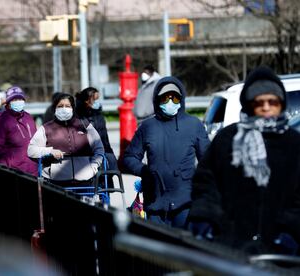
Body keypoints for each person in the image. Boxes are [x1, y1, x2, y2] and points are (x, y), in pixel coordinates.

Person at [188, 66, 300, 255]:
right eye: (259, 102)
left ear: (281, 103)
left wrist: (291, 231)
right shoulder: (227, 139)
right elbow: (206, 185)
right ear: (249, 104)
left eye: (272, 101)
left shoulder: (294, 143)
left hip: (282, 251)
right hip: (231, 246)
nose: (266, 107)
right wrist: (206, 219)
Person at [123, 76, 210, 228]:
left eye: (175, 98)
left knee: (184, 249)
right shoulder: (147, 127)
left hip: (186, 202)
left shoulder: (194, 124)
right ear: (157, 100)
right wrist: (144, 171)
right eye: (165, 98)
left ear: (181, 100)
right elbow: (129, 157)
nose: (170, 102)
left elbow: (208, 160)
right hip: (155, 203)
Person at [28, 93, 104, 186]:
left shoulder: (85, 125)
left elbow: (99, 148)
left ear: (72, 108)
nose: (64, 109)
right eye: (60, 106)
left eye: (67, 106)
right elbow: (31, 150)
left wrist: (94, 166)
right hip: (56, 181)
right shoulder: (46, 128)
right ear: (55, 108)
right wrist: (49, 151)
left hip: (85, 180)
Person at [0, 86, 37, 176]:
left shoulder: (28, 117)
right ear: (8, 102)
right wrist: (9, 165)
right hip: (15, 171)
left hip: (33, 169)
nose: (18, 102)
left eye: (20, 99)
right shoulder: (0, 119)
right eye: (14, 100)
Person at [75, 87, 118, 179]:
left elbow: (105, 138)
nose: (97, 102)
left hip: (104, 152)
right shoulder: (80, 117)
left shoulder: (98, 115)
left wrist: (111, 154)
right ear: (86, 101)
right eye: (95, 100)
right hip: (89, 157)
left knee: (107, 178)